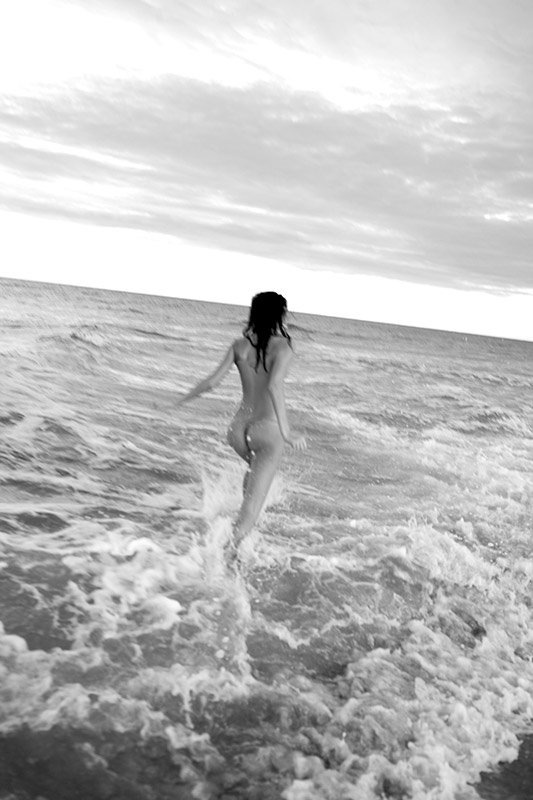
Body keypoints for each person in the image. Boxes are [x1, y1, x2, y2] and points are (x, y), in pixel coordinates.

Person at [176, 291, 307, 561]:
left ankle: (232, 551)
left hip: (237, 431)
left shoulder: (239, 345)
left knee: (253, 473)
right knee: (249, 515)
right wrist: (286, 432)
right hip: (267, 432)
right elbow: (274, 385)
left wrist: (179, 400)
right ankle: (219, 562)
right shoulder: (284, 347)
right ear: (280, 315)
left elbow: (211, 383)